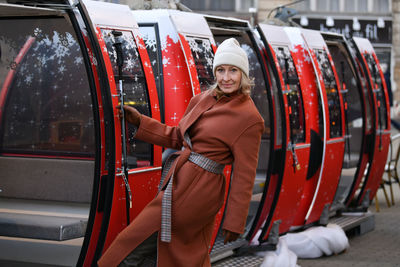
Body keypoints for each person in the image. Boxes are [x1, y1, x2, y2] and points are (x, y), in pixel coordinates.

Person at [98, 38, 265, 267]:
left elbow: (244, 174)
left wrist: (235, 221)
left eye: (233, 70)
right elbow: (178, 137)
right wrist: (140, 122)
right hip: (177, 184)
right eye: (221, 70)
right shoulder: (202, 99)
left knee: (133, 247)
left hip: (199, 194)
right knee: (170, 253)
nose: (226, 77)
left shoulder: (250, 118)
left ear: (243, 75)